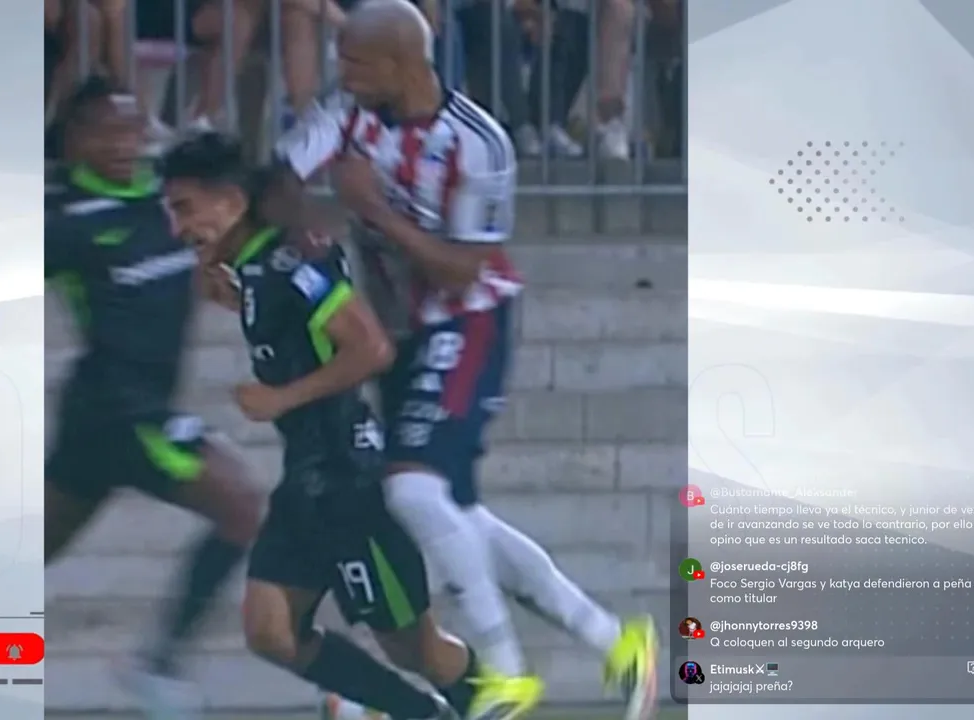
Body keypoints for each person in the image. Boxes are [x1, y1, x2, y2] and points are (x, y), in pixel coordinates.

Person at [271, 2, 657, 718]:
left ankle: (505, 676)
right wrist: (305, 230)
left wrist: (374, 211)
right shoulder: (346, 114)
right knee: (457, 514)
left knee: (414, 493)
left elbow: (461, 269)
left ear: (402, 64)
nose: (342, 76)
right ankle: (613, 639)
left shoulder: (479, 142)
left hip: (467, 317)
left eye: (356, 64)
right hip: (396, 334)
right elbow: (278, 178)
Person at [158, 129, 537, 720]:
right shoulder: (255, 267)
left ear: (230, 200)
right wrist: (222, 281)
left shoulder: (290, 264)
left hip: (349, 478)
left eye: (184, 208)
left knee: (414, 647)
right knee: (270, 630)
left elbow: (371, 347)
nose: (177, 226)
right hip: (306, 478)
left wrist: (281, 398)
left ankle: (489, 702)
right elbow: (288, 324)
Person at [44, 78, 263, 720]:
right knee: (243, 507)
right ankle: (157, 666)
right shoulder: (68, 219)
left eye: (132, 128)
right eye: (106, 131)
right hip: (126, 411)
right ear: (76, 140)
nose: (123, 143)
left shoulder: (167, 198)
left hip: (97, 421)